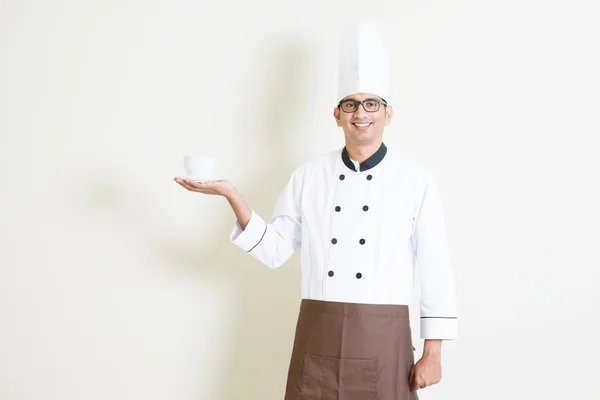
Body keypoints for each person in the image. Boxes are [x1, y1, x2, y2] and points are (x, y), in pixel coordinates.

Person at [174, 20, 457, 400]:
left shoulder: (416, 180)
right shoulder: (310, 175)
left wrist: (433, 351)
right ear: (337, 114)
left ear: (388, 114)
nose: (361, 113)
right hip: (317, 333)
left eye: (371, 103)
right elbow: (274, 250)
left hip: (383, 335)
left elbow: (435, 268)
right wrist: (232, 196)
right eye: (351, 104)